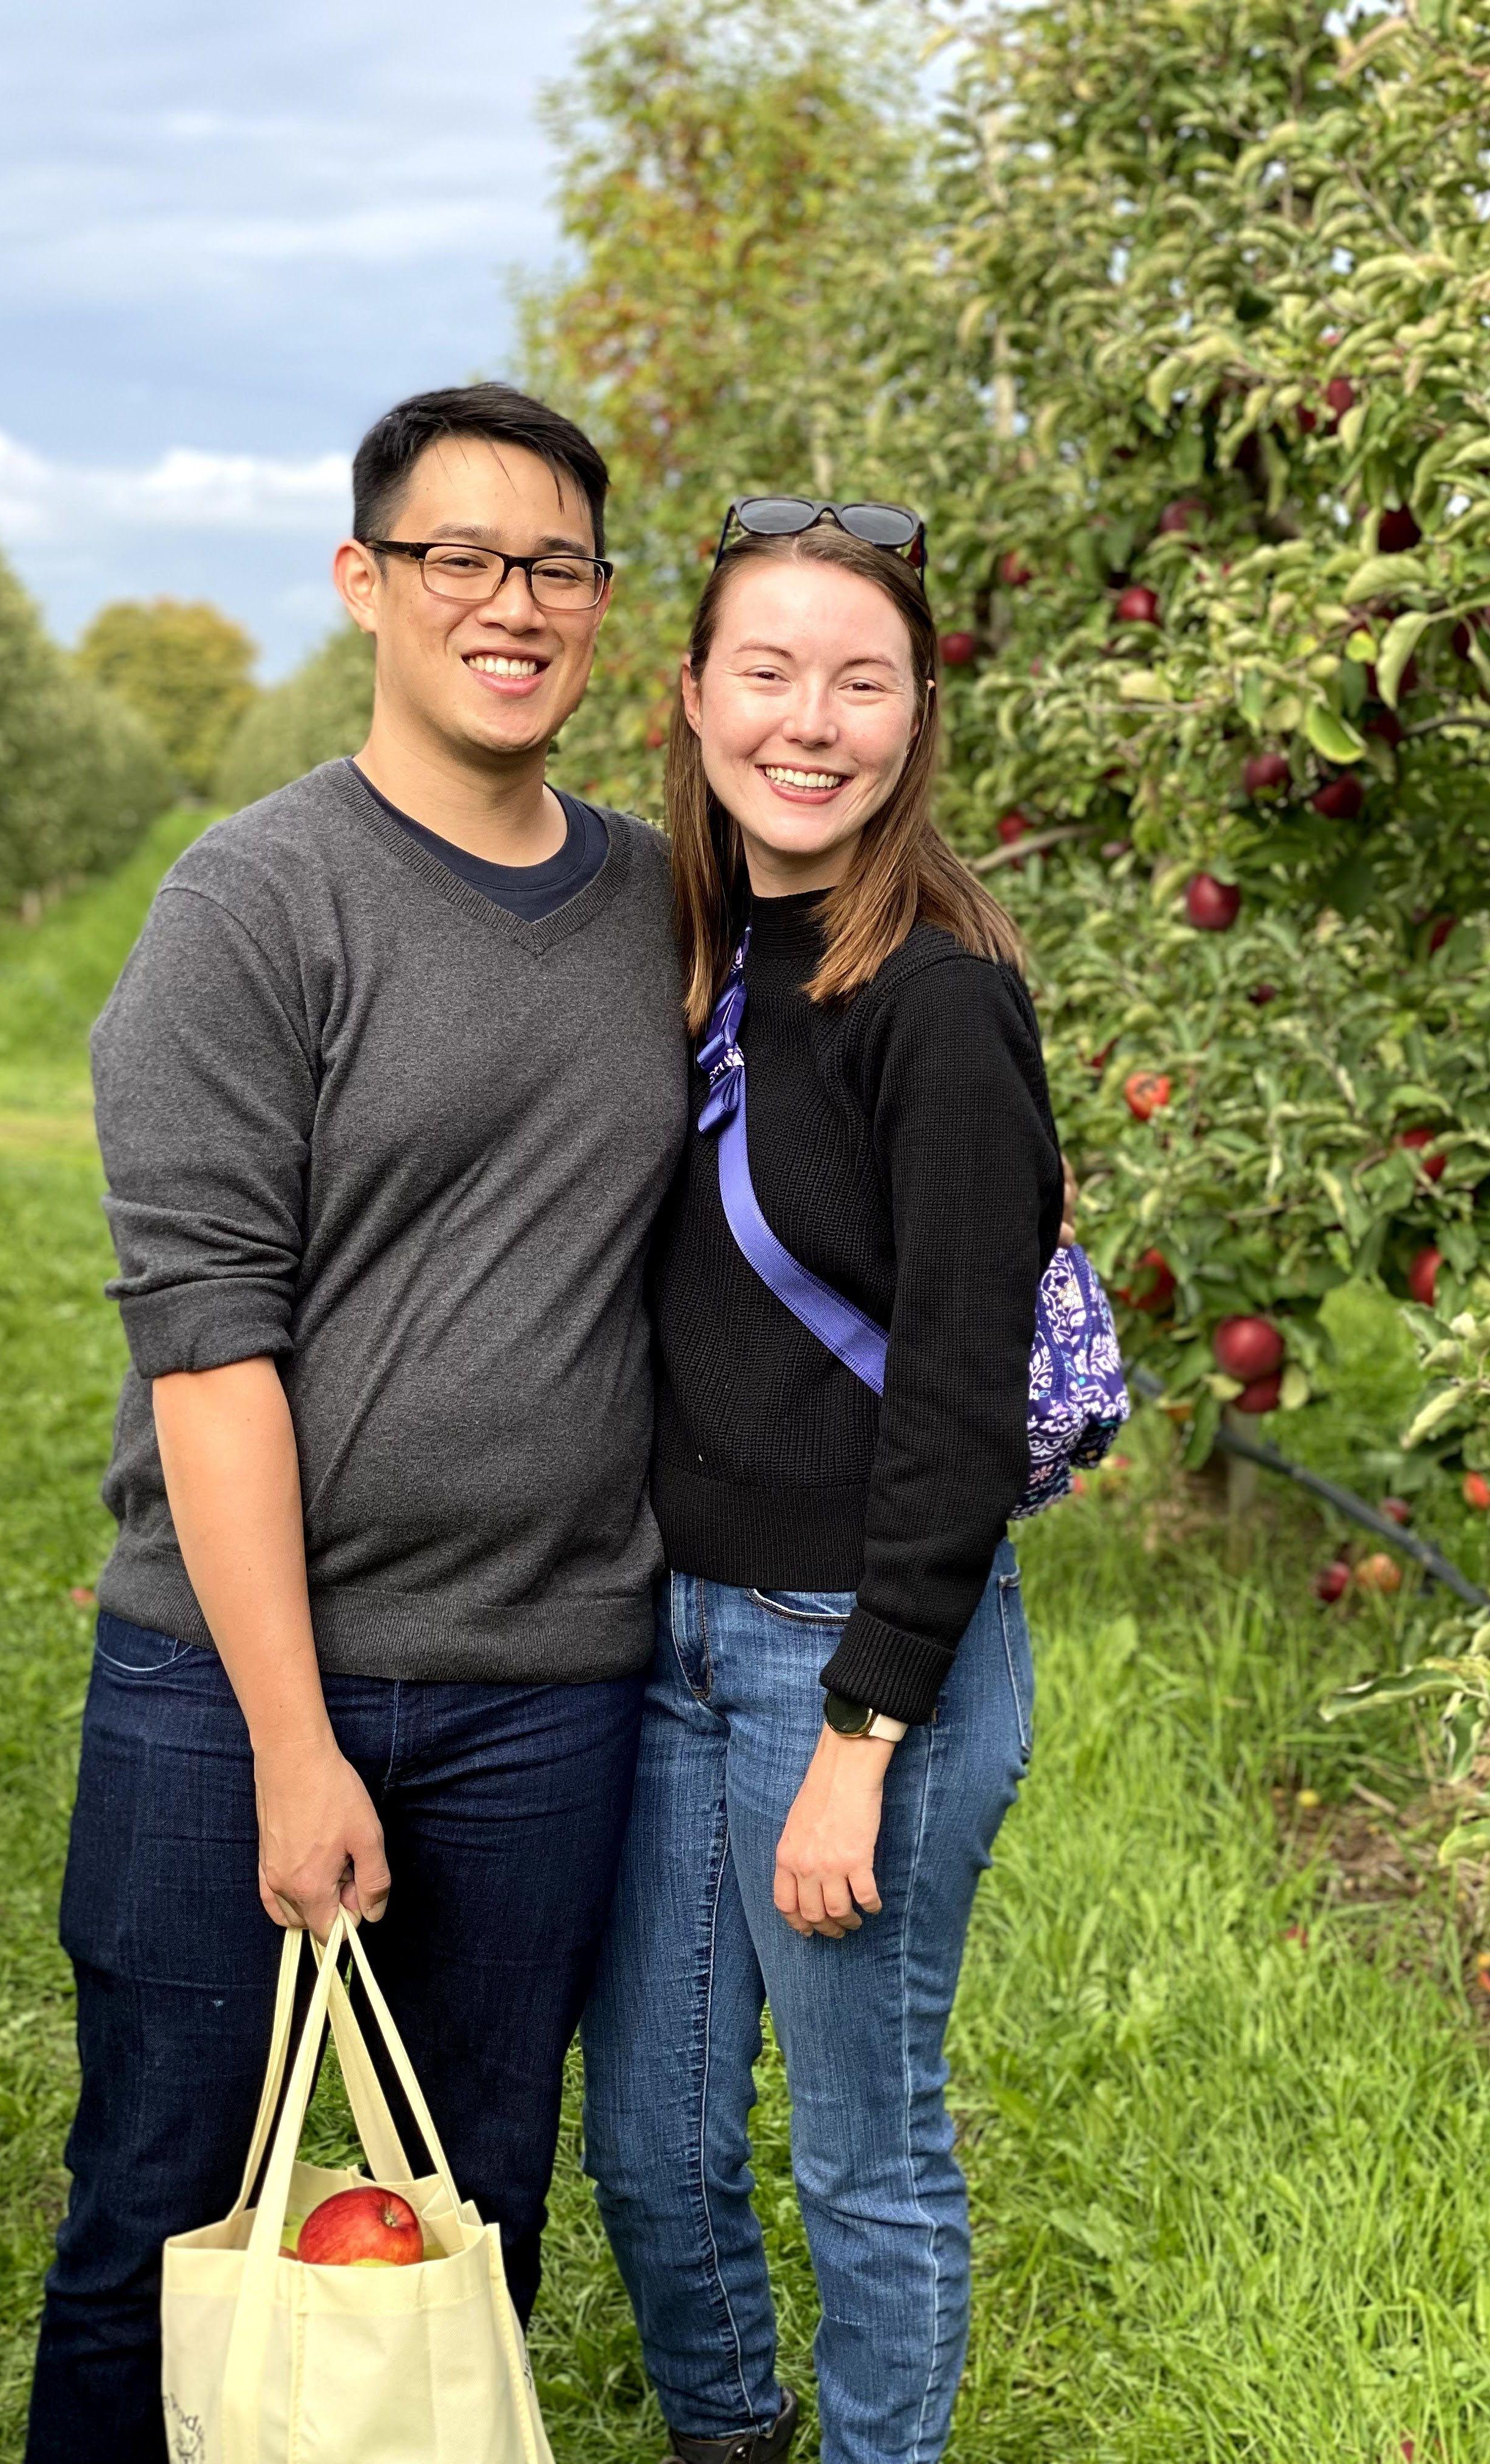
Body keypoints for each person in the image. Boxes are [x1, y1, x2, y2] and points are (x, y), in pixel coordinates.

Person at [24, 383, 689, 2463]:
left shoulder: (666, 907)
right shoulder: (253, 905)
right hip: (227, 1685)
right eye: (459, 558)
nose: (513, 603)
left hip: (547, 1679)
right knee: (162, 2208)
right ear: (364, 582)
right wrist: (295, 1745)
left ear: (600, 601)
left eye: (557, 565)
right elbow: (208, 1350)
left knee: (466, 2221)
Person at [579, 500, 1065, 2464]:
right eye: (767, 672)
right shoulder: (692, 955)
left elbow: (957, 1405)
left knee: (864, 2156)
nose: (810, 721)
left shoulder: (938, 1004)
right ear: (693, 697)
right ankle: (729, 2429)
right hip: (672, 1633)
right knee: (648, 2134)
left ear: (917, 717)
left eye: (860, 683)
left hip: (855, 1652)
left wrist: (863, 1731)